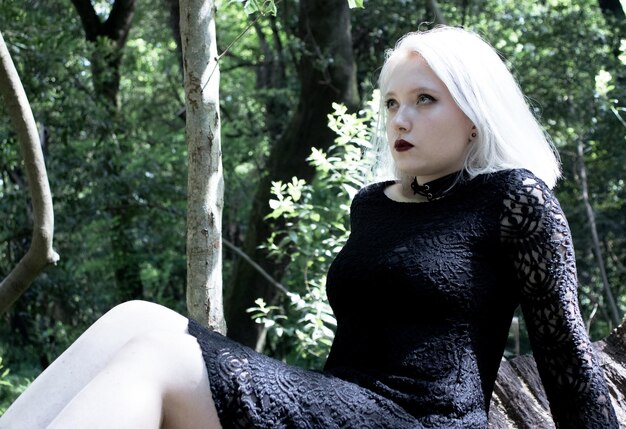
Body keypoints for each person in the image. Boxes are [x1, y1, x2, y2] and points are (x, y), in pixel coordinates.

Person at [0, 25, 618, 429]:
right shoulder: (373, 204)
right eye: (391, 103)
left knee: (158, 355)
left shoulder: (514, 199)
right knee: (136, 317)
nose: (400, 118)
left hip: (420, 422)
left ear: (475, 115)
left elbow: (565, 358)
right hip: (343, 404)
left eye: (425, 100)